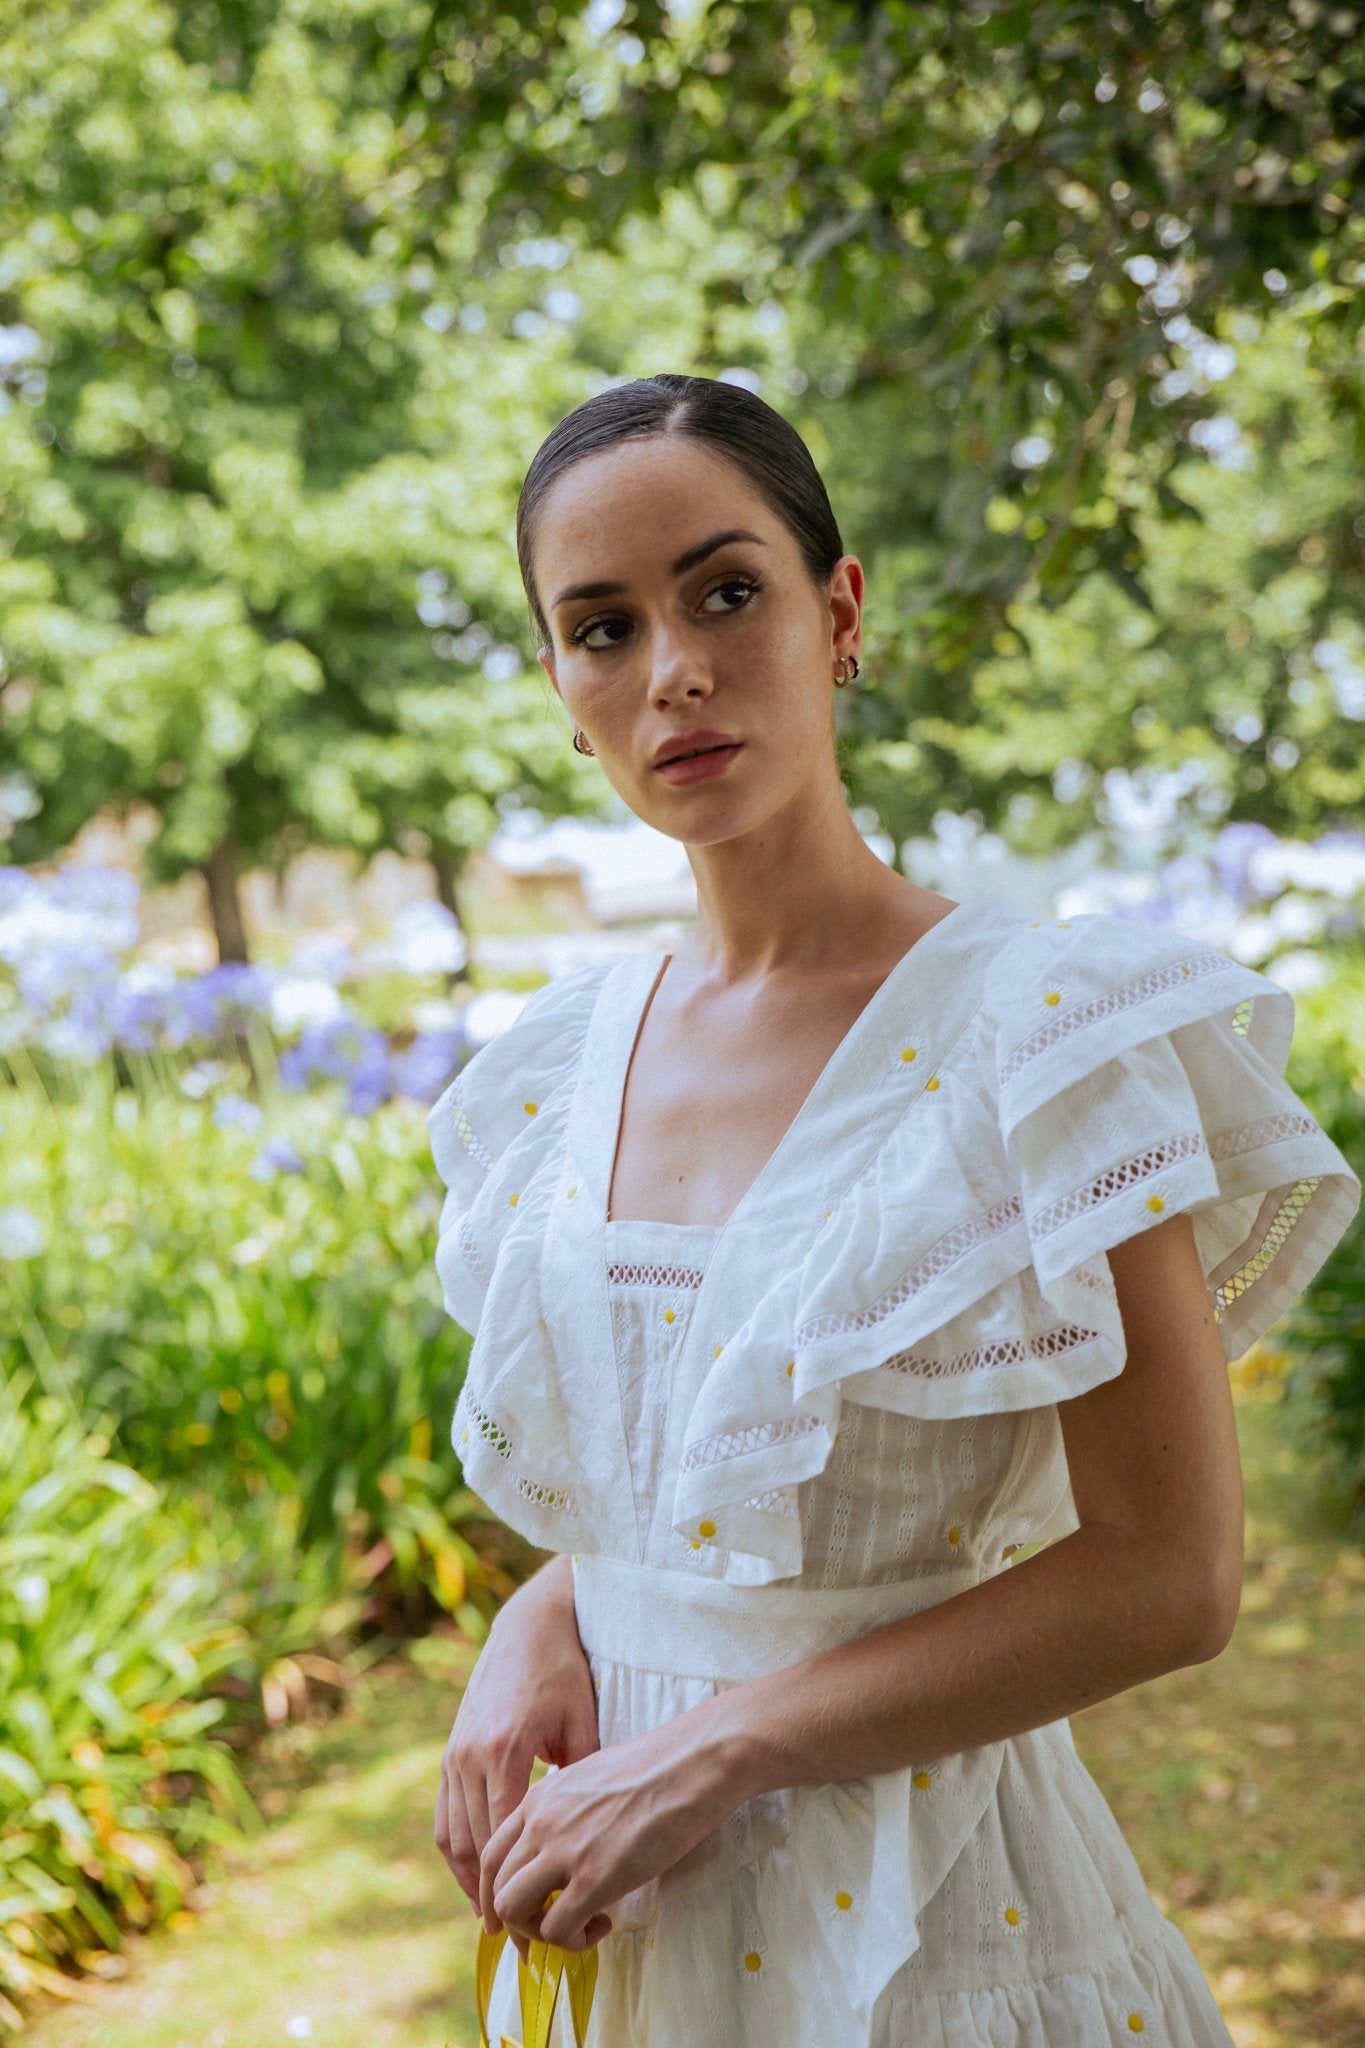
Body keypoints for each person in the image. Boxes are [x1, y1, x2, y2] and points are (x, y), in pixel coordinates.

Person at [428, 373, 1359, 2046]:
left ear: (837, 609)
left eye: (725, 592)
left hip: (938, 1936)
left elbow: (1171, 1573)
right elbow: (678, 1497)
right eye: (602, 628)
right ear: (562, 687)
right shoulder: (556, 1071)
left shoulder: (1043, 1040)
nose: (677, 672)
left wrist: (716, 1751)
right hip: (614, 1940)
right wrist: (542, 1612)